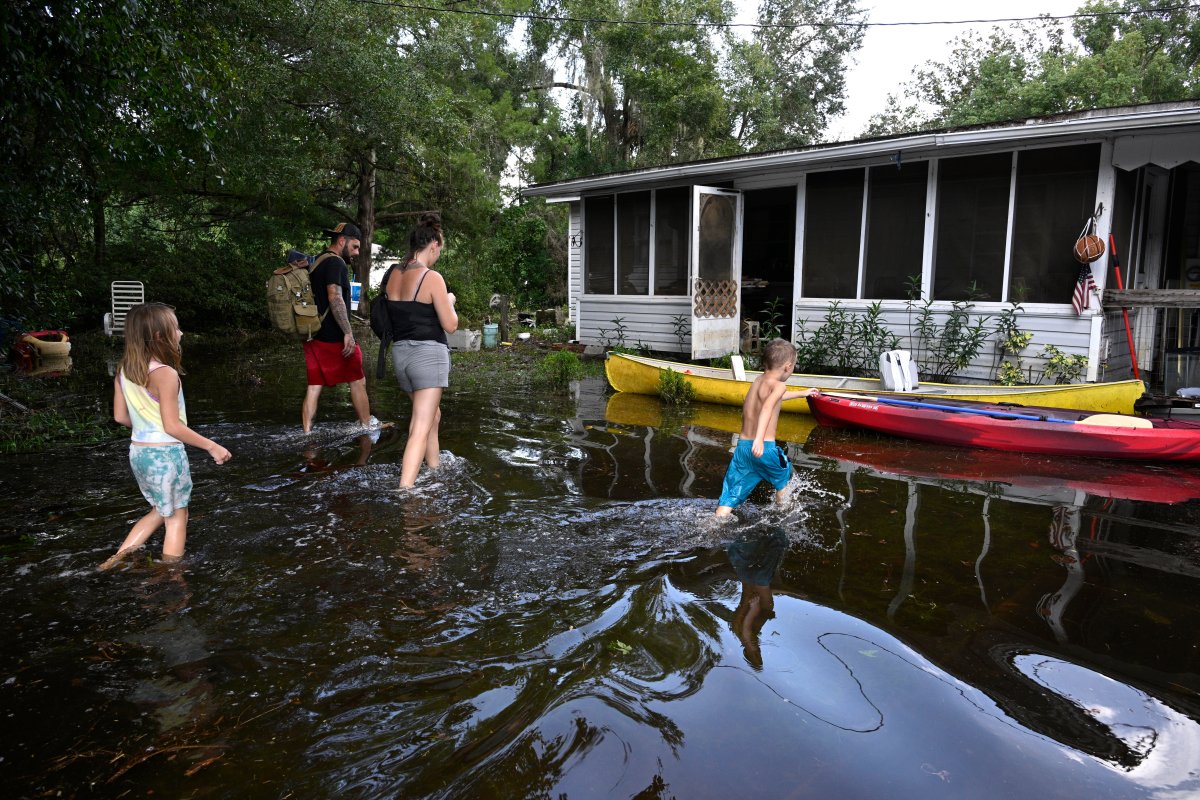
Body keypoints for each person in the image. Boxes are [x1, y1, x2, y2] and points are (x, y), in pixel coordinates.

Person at [100, 303, 232, 570]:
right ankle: (171, 576)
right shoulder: (165, 374)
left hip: (139, 452)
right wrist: (212, 446)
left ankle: (113, 562)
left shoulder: (124, 370)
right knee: (177, 518)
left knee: (160, 510)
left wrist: (147, 427)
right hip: (166, 457)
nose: (181, 333)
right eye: (176, 328)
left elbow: (120, 418)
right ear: (160, 336)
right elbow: (172, 426)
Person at [384, 212, 457, 488]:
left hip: (401, 356)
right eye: (441, 249)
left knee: (432, 415)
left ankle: (434, 469)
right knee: (419, 427)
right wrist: (448, 299)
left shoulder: (393, 274)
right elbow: (450, 324)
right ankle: (406, 491)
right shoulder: (432, 277)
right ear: (434, 245)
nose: (439, 254)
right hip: (427, 357)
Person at [715, 338, 814, 517]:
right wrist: (760, 439)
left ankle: (716, 522)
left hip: (743, 449)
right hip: (764, 448)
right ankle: (783, 514)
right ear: (787, 366)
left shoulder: (758, 381)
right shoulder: (779, 385)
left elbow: (773, 399)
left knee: (731, 493)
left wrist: (802, 393)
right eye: (794, 367)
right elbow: (768, 407)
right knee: (786, 479)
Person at [303, 222, 380, 433]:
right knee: (357, 380)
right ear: (342, 241)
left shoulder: (317, 261)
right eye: (355, 247)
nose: (356, 253)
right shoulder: (336, 263)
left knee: (314, 386)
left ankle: (307, 433)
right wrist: (347, 332)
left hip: (312, 334)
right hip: (333, 337)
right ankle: (367, 427)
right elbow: (335, 297)